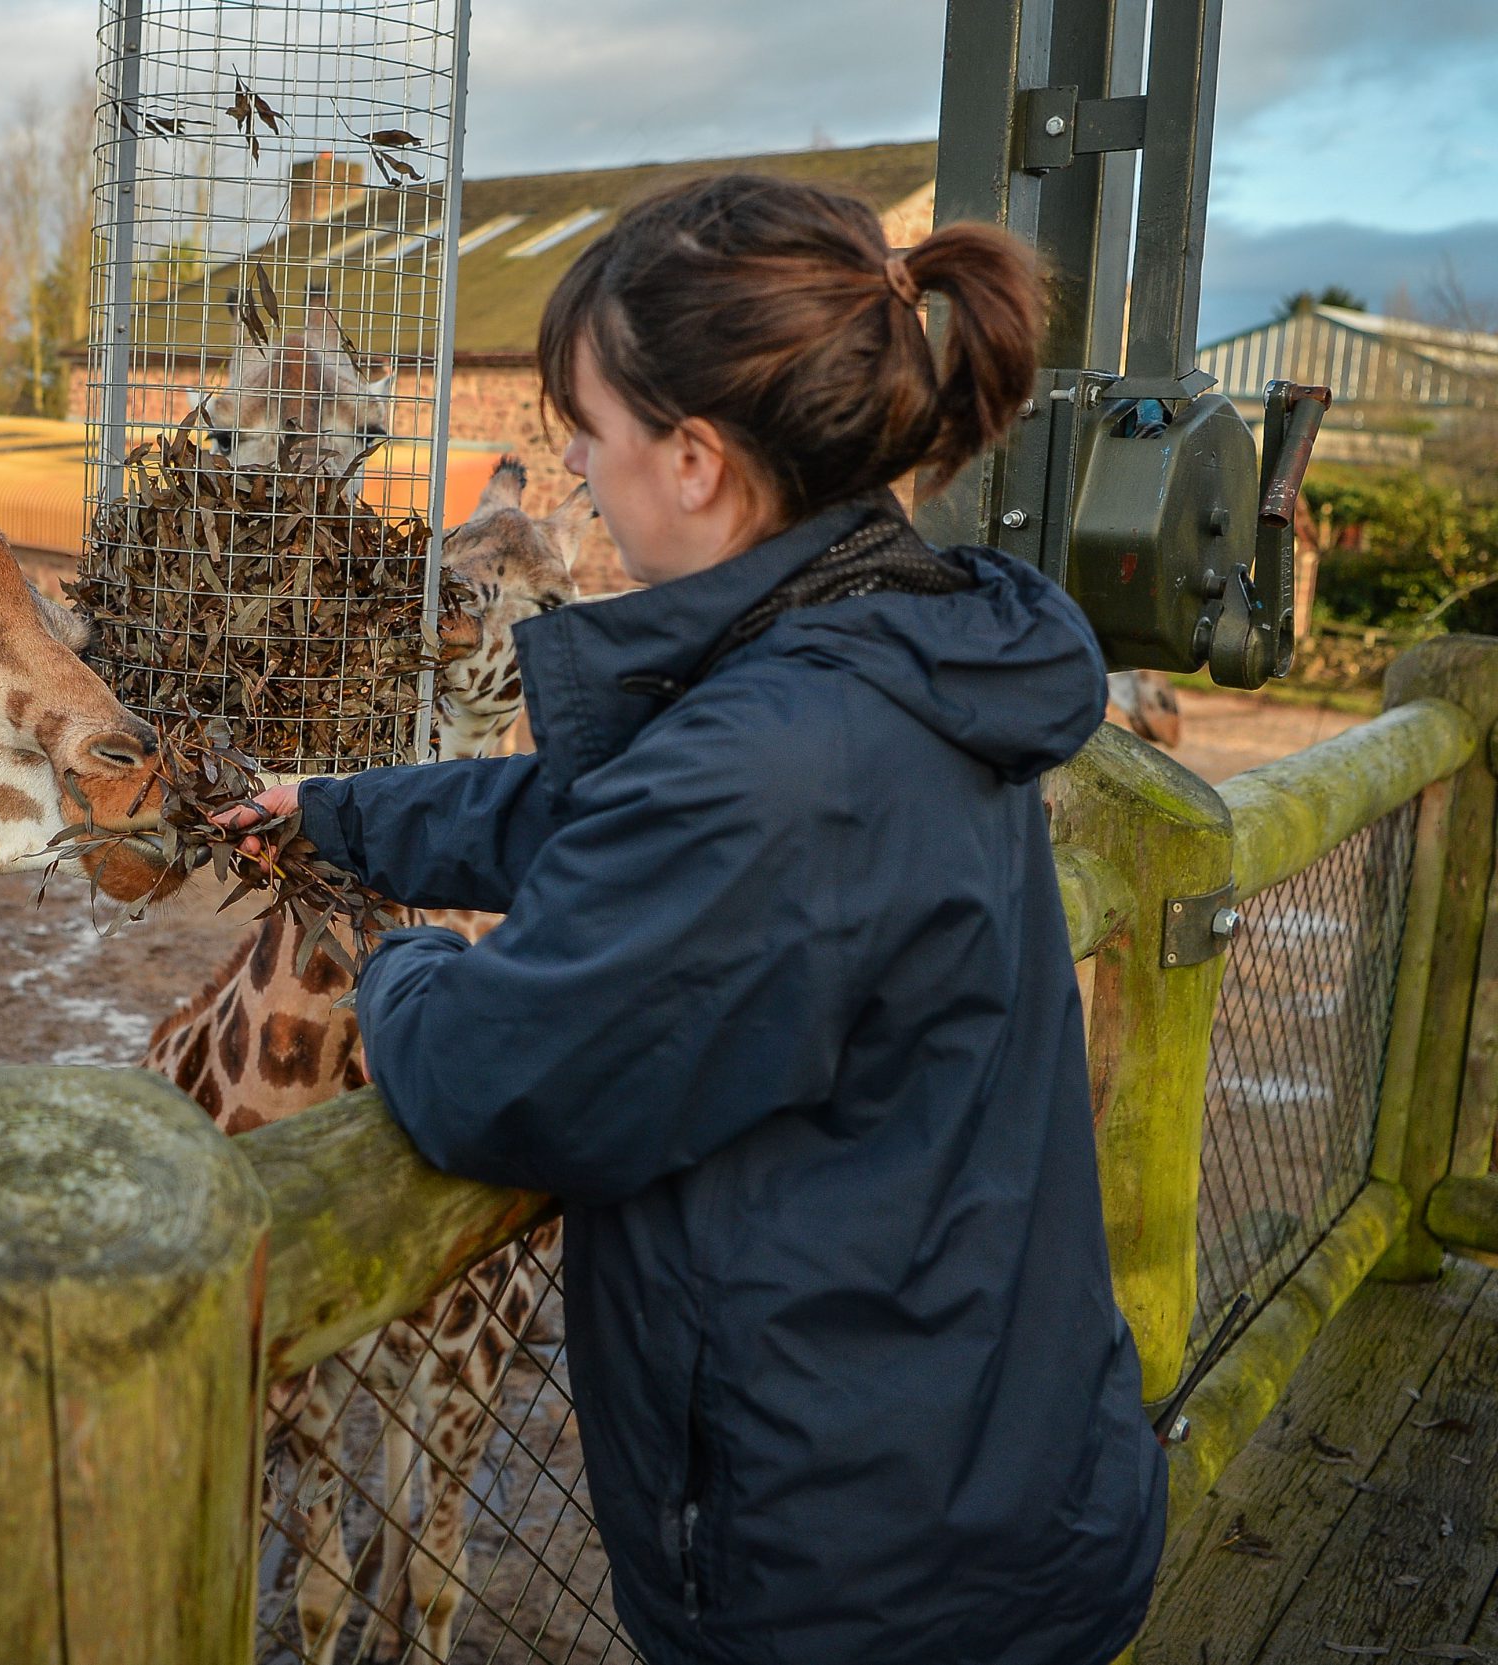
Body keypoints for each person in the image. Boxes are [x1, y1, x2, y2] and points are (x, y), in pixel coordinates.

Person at [220, 174, 1164, 1663]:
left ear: (696, 459)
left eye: (585, 435)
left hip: (860, 1569)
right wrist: (336, 812)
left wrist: (394, 954)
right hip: (1004, 1472)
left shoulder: (773, 755)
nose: (578, 476)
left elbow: (491, 1072)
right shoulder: (890, 648)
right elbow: (617, 827)